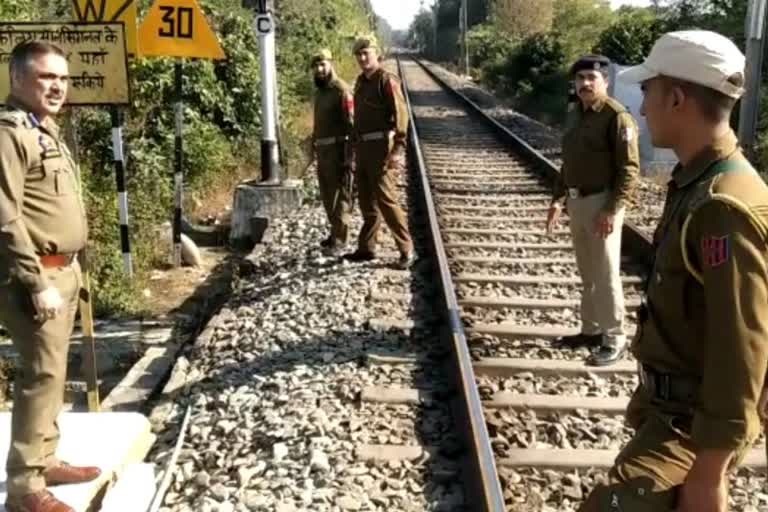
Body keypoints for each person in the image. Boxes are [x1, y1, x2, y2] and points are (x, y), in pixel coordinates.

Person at [578, 30, 768, 512]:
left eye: (648, 93)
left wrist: (708, 473)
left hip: (692, 426)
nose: (642, 109)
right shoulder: (700, 182)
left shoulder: (723, 204)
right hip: (673, 414)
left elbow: (741, 347)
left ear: (678, 97)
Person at [0, 41, 100, 512]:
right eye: (46, 77)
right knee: (39, 375)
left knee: (54, 371)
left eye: (62, 78)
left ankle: (45, 457)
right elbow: (4, 216)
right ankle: (24, 487)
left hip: (63, 272)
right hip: (35, 277)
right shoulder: (10, 134)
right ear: (18, 79)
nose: (57, 86)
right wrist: (36, 281)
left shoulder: (44, 129)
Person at [546, 54, 640, 367]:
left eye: (592, 78)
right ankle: (590, 330)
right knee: (587, 272)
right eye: (581, 78)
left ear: (605, 81)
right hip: (577, 201)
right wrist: (558, 199)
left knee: (606, 273)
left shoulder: (616, 116)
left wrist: (612, 210)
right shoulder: (575, 114)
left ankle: (614, 338)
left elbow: (629, 169)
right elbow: (569, 161)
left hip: (602, 202)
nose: (586, 83)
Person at [342, 34, 415, 270]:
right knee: (366, 202)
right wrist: (354, 150)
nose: (362, 58)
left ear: (376, 54)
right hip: (363, 149)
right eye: (359, 54)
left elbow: (401, 116)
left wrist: (398, 150)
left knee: (386, 200)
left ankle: (406, 250)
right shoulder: (361, 82)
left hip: (381, 149)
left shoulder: (386, 80)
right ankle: (367, 248)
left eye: (366, 53)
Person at [310, 48, 354, 255]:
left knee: (341, 195)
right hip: (323, 149)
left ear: (330, 64)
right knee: (328, 195)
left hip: (338, 149)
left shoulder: (341, 90)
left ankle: (341, 239)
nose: (319, 69)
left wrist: (349, 156)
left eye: (322, 64)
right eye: (316, 66)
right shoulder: (320, 92)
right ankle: (334, 232)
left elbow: (351, 123)